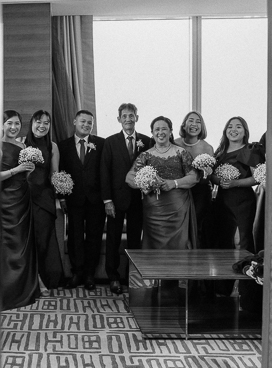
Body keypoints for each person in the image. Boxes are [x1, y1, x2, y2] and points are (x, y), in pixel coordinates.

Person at [126, 116, 199, 252]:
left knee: (179, 245)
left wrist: (174, 183)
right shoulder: (145, 155)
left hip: (177, 210)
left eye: (164, 129)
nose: (160, 132)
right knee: (154, 248)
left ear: (170, 131)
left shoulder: (181, 152)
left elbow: (194, 177)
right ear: (152, 133)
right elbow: (129, 177)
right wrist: (147, 183)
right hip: (154, 211)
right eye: (157, 129)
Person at [100, 103, 151, 295]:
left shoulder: (147, 141)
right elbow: (104, 172)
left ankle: (133, 277)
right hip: (116, 199)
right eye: (124, 116)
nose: (128, 119)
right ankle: (113, 278)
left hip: (139, 200)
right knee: (113, 240)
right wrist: (107, 200)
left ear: (137, 118)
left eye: (131, 115)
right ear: (119, 119)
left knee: (135, 241)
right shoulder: (110, 142)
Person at [57, 110, 105, 290]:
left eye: (89, 123)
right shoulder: (63, 146)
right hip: (73, 199)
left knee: (94, 237)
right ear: (74, 122)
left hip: (96, 200)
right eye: (83, 121)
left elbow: (104, 171)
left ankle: (90, 274)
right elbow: (60, 172)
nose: (86, 125)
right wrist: (62, 197)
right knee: (75, 237)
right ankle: (77, 273)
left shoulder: (101, 144)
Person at [0, 110, 39, 310]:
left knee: (23, 243)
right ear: (2, 125)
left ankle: (24, 288)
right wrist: (17, 170)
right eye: (9, 123)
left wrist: (29, 170)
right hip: (5, 202)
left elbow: (24, 176)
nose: (14, 127)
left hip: (23, 198)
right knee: (8, 244)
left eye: (17, 124)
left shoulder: (23, 146)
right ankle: (7, 291)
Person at [21, 110, 63, 291]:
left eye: (46, 123)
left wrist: (61, 187)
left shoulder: (52, 146)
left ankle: (44, 278)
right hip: (23, 197)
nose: (42, 126)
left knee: (43, 239)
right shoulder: (21, 143)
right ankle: (29, 280)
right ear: (32, 123)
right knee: (25, 240)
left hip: (44, 198)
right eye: (39, 121)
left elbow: (54, 173)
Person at [209, 117, 263, 256]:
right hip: (222, 201)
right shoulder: (220, 152)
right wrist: (218, 180)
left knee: (242, 239)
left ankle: (245, 267)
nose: (233, 130)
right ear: (225, 131)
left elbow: (257, 178)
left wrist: (235, 183)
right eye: (230, 127)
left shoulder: (250, 150)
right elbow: (212, 175)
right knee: (223, 239)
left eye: (238, 127)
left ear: (245, 132)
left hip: (242, 202)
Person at [173, 111, 215, 248]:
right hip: (179, 190)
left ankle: (196, 255)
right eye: (191, 120)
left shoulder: (207, 148)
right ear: (184, 125)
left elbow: (208, 178)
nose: (194, 124)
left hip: (200, 192)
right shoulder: (174, 143)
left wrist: (207, 173)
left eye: (198, 122)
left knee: (197, 226)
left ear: (202, 127)